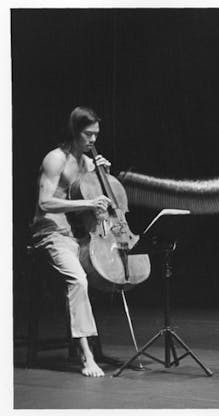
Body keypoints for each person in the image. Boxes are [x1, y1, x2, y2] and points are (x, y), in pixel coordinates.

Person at [30, 106, 112, 377]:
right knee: (78, 280)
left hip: (79, 235)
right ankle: (86, 356)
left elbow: (97, 206)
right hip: (51, 233)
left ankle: (86, 346)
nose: (93, 140)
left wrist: (105, 179)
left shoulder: (90, 164)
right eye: (88, 134)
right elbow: (45, 202)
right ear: (75, 132)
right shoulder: (56, 159)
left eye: (96, 134)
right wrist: (89, 201)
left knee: (103, 276)